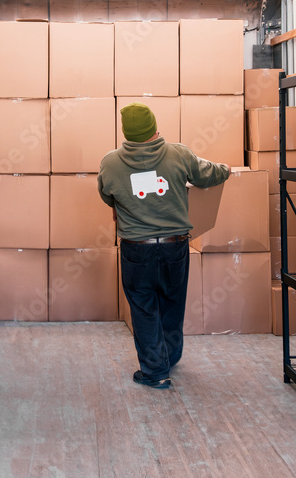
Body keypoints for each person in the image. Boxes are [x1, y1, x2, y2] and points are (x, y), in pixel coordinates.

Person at [98, 103, 230, 389]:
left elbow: (107, 195)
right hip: (174, 246)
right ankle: (168, 357)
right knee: (172, 301)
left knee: (143, 308)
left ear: (126, 133)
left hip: (136, 249)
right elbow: (208, 174)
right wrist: (226, 169)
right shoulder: (178, 154)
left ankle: (156, 371)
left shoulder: (110, 162)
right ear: (154, 128)